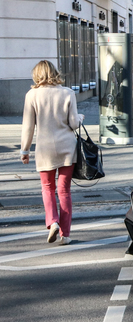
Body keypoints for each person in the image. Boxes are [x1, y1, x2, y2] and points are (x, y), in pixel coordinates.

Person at [20, 61, 84, 245]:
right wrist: (79, 118)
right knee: (64, 191)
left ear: (37, 75)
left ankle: (52, 221)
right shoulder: (68, 93)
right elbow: (73, 123)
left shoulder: (31, 95)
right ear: (55, 73)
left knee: (47, 188)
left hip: (44, 148)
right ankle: (65, 235)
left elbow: (28, 126)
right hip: (67, 148)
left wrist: (25, 150)